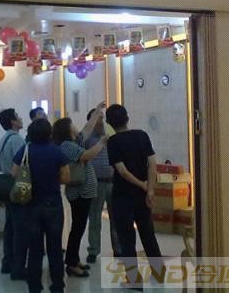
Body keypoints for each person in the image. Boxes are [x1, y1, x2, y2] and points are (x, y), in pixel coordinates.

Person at [105, 104, 164, 291]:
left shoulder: (113, 142)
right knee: (148, 234)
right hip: (142, 196)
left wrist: (141, 185)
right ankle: (159, 272)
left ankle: (134, 279)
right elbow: (152, 163)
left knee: (127, 239)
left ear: (109, 123)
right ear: (127, 118)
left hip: (122, 197)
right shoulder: (141, 135)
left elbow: (122, 171)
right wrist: (149, 189)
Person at [12, 119, 70, 293]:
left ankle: (34, 286)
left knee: (35, 249)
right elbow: (66, 178)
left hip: (30, 205)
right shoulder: (56, 151)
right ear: (49, 133)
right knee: (55, 248)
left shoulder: (25, 150)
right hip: (53, 204)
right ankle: (57, 285)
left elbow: (14, 173)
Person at [52, 101, 106, 278]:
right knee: (77, 228)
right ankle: (71, 263)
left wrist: (97, 110)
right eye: (72, 124)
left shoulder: (74, 141)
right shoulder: (66, 146)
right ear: (67, 130)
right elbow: (86, 155)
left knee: (79, 227)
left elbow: (87, 129)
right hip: (79, 193)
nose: (76, 126)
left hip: (83, 192)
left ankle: (74, 259)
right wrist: (102, 143)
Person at [84, 108, 121, 264]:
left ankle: (118, 249)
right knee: (94, 218)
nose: (102, 121)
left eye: (102, 117)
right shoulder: (87, 138)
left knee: (116, 218)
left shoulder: (110, 134)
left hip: (112, 181)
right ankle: (93, 250)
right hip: (96, 183)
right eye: (98, 118)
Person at [0, 108, 27, 280]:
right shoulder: (16, 140)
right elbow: (23, 165)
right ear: (12, 121)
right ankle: (18, 266)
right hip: (17, 187)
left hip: (6, 187)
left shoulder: (4, 138)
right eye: (17, 117)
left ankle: (7, 262)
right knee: (19, 227)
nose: (21, 118)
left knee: (10, 227)